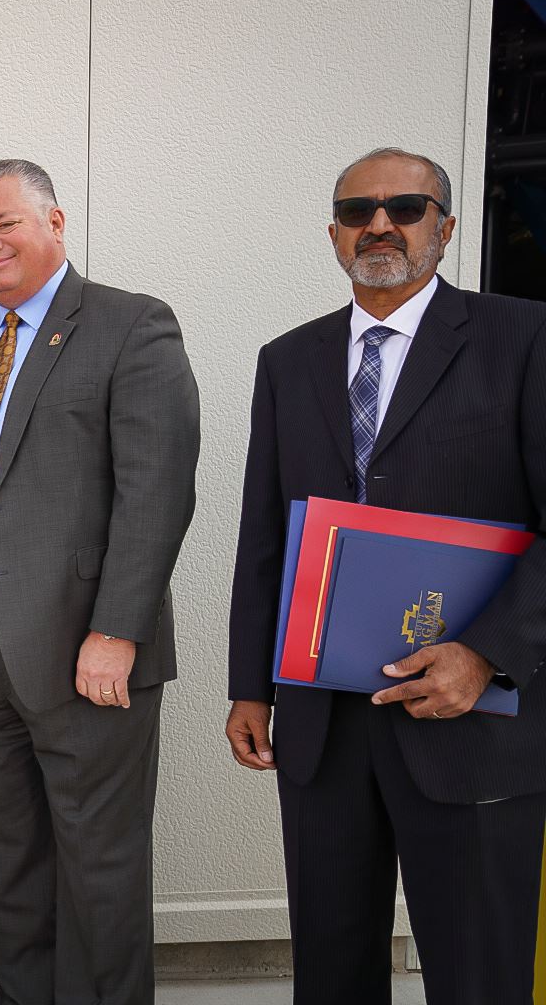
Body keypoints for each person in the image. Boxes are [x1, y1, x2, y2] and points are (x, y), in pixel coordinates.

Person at [226, 147, 546, 1004]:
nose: (380, 224)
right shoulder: (288, 359)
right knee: (331, 970)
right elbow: (265, 533)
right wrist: (251, 686)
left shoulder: (524, 338)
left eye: (406, 207)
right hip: (324, 723)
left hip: (472, 714)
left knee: (478, 971)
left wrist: (485, 652)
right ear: (332, 232)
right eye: (358, 209)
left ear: (444, 227)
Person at [0, 158, 199, 1004]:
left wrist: (117, 631)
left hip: (88, 647)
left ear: (56, 223)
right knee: (7, 859)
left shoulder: (129, 324)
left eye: (5, 223)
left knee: (99, 863)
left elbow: (159, 489)